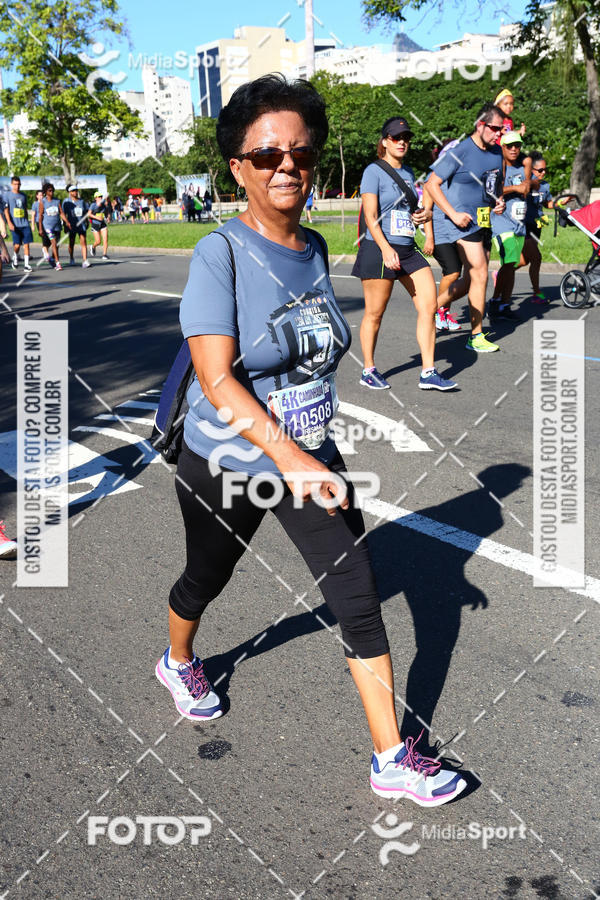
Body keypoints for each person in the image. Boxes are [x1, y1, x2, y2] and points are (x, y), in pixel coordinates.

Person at [156, 73, 466, 806]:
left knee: (357, 593)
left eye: (300, 151)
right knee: (207, 577)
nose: (287, 165)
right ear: (238, 168)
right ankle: (177, 659)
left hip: (307, 455)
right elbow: (219, 379)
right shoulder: (218, 254)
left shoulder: (317, 248)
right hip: (228, 459)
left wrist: (307, 453)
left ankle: (390, 755)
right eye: (267, 155)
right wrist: (289, 459)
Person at [353, 116, 456, 391]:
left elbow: (406, 211)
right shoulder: (372, 172)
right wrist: (386, 249)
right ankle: (368, 369)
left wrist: (421, 216)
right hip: (379, 248)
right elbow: (371, 216)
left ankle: (428, 371)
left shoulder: (409, 173)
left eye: (406, 138)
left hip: (408, 249)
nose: (402, 142)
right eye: (396, 138)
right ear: (385, 141)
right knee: (375, 313)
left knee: (429, 305)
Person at [426, 103, 506, 354]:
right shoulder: (459, 151)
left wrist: (498, 201)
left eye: (501, 130)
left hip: (483, 219)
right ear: (480, 125)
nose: (498, 134)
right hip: (459, 221)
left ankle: (430, 308)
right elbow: (431, 184)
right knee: (481, 271)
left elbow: (492, 185)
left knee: (472, 278)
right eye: (495, 129)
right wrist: (453, 213)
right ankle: (476, 335)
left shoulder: (495, 153)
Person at [488, 132, 531, 320]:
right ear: (502, 147)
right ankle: (495, 301)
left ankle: (505, 304)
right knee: (510, 261)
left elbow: (528, 184)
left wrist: (529, 184)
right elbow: (490, 190)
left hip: (519, 224)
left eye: (517, 146)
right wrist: (515, 188)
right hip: (501, 222)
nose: (514, 149)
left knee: (511, 264)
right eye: (509, 146)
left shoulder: (522, 167)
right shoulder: (498, 167)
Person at [517, 151, 560, 304]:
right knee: (536, 259)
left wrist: (561, 203)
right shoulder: (524, 183)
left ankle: (501, 273)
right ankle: (537, 293)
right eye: (539, 170)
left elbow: (547, 204)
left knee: (524, 261)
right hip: (524, 225)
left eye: (544, 170)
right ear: (531, 170)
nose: (543, 173)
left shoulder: (545, 185)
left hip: (537, 225)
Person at [38, 182, 70, 271]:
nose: (51, 192)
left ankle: (52, 260)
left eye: (52, 191)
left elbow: (61, 213)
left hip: (57, 226)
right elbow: (40, 216)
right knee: (54, 243)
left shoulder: (57, 201)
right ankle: (58, 263)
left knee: (56, 246)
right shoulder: (43, 202)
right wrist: (40, 228)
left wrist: (67, 222)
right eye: (49, 191)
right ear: (45, 192)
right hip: (48, 226)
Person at [3, 175, 33, 271]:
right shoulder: (7, 195)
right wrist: (10, 223)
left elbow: (24, 209)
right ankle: (15, 256)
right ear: (12, 184)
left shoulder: (23, 195)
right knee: (17, 245)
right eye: (15, 184)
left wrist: (28, 221)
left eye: (19, 184)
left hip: (24, 224)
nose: (17, 186)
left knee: (27, 244)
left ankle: (26, 265)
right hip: (14, 225)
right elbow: (6, 211)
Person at [62, 184, 91, 267]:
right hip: (71, 225)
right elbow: (64, 214)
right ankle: (71, 258)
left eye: (76, 190)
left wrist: (87, 222)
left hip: (81, 225)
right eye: (73, 191)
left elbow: (85, 212)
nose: (75, 192)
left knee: (83, 242)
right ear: (69, 192)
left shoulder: (82, 201)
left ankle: (85, 260)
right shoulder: (66, 202)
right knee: (71, 243)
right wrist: (65, 225)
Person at [89, 191, 109, 259]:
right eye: (99, 197)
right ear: (95, 198)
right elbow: (89, 214)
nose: (100, 198)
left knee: (105, 240)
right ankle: (93, 247)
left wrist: (107, 217)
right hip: (95, 224)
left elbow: (106, 212)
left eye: (101, 196)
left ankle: (104, 255)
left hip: (103, 224)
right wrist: (97, 217)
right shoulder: (93, 205)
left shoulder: (103, 205)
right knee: (98, 241)